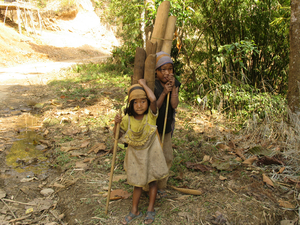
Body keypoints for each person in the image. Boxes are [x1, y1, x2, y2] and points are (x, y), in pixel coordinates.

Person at [114, 79, 168, 225]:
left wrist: (143, 84)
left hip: (152, 154)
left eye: (143, 101)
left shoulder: (151, 115)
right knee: (137, 184)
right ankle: (134, 210)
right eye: (135, 102)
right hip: (136, 157)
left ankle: (151, 209)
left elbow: (153, 99)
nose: (139, 105)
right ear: (131, 104)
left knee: (152, 181)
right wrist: (116, 124)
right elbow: (117, 136)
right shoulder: (127, 119)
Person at [154, 51, 181, 192]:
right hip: (153, 128)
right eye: (163, 69)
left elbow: (174, 105)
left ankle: (162, 186)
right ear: (156, 71)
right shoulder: (153, 85)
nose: (166, 72)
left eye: (170, 69)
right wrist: (164, 92)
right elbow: (155, 107)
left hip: (166, 127)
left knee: (166, 156)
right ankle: (151, 185)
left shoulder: (174, 83)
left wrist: (173, 89)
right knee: (154, 156)